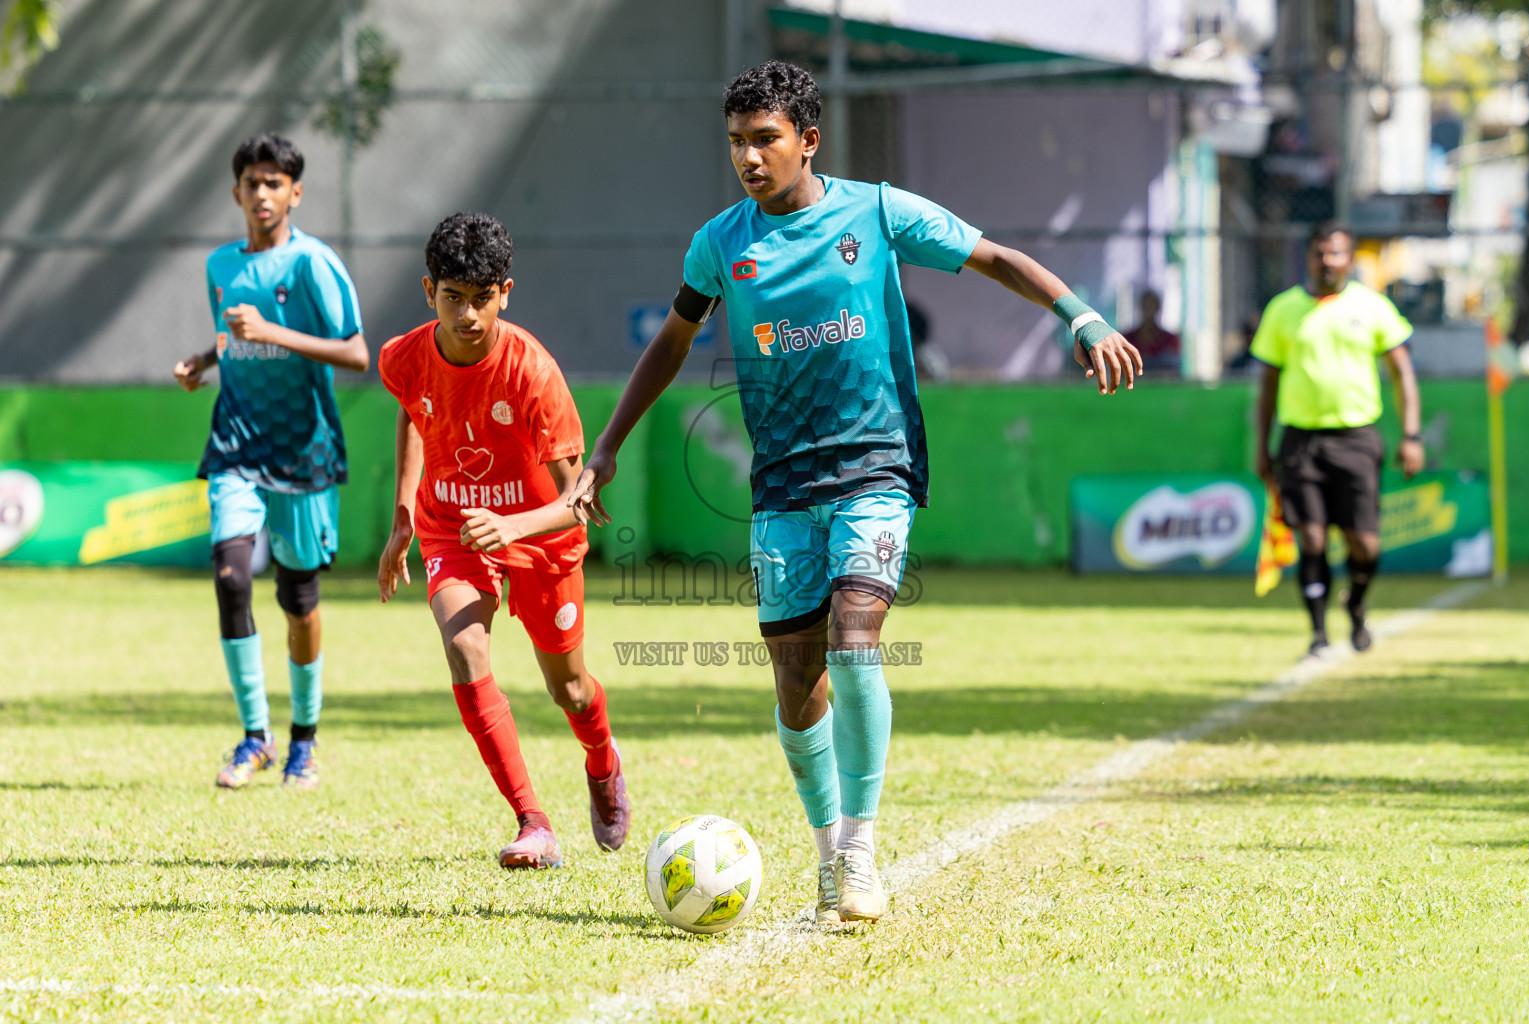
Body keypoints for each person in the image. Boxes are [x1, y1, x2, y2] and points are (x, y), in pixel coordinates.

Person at [567, 61, 1141, 924]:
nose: (749, 158)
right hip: (782, 484)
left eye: (765, 139)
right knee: (797, 683)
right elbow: (675, 342)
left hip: (877, 467)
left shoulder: (876, 211)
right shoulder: (721, 243)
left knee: (856, 635)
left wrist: (1079, 314)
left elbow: (994, 257)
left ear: (808, 140)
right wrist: (606, 445)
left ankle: (863, 847)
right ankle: (830, 844)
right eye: (736, 142)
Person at [376, 212, 630, 870]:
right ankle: (533, 822)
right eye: (453, 298)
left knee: (569, 690)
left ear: (506, 292)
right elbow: (412, 413)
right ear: (428, 291)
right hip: (451, 527)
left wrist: (512, 526)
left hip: (541, 538)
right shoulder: (403, 358)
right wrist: (404, 514)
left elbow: (581, 503)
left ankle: (602, 761)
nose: (468, 316)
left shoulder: (532, 373)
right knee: (463, 647)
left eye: (482, 299)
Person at [173, 133, 369, 790]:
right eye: (252, 182)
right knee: (231, 576)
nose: (262, 194)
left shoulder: (314, 264)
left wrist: (272, 332)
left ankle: (303, 745)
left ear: (295, 193)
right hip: (236, 441)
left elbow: (356, 354)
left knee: (298, 599)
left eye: (274, 183)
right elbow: (235, 332)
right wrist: (203, 361)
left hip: (303, 450)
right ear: (237, 193)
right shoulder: (220, 264)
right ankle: (254, 736)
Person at [1252, 220, 1423, 658]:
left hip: (1357, 438)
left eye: (1337, 253)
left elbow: (1402, 373)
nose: (1327, 261)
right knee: (1310, 538)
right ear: (1308, 257)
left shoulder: (1373, 306)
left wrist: (1411, 435)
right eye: (1320, 253)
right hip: (1300, 441)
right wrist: (1262, 445)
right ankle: (1317, 633)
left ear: (1349, 259)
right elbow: (1268, 385)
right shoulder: (1283, 310)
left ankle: (1358, 603)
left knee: (1363, 543)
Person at [1123, 290, 1181, 374]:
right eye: (1146, 307)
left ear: (1158, 308)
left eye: (1152, 306)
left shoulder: (1170, 340)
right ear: (1141, 307)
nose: (1149, 311)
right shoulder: (1127, 340)